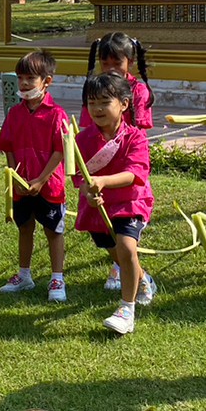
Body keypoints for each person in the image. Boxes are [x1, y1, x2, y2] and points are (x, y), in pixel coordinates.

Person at [75, 73, 153, 335]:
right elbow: (79, 177)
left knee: (126, 247)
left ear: (124, 104)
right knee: (115, 251)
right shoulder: (82, 140)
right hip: (99, 206)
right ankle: (142, 278)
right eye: (91, 102)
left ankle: (126, 310)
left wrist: (104, 181)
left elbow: (135, 173)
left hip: (131, 201)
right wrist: (88, 193)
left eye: (104, 102)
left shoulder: (135, 138)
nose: (97, 109)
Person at [0, 49, 69, 301]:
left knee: (53, 230)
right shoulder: (15, 113)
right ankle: (24, 274)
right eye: (20, 78)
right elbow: (8, 146)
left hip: (49, 185)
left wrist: (41, 179)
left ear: (46, 81)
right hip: (21, 185)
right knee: (24, 227)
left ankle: (57, 278)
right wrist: (14, 178)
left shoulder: (56, 114)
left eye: (30, 78)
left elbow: (60, 151)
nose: (24, 83)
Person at [84, 33, 152, 130]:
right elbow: (88, 126)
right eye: (105, 64)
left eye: (117, 64)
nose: (111, 69)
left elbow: (139, 129)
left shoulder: (139, 91)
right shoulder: (94, 88)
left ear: (130, 61)